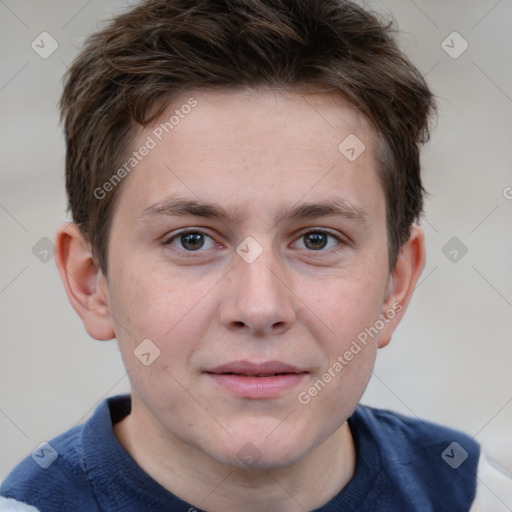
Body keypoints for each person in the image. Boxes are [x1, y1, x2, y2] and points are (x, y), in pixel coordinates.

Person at [1, 0, 509, 510]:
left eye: (317, 239)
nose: (260, 307)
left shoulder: (479, 496)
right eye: (192, 239)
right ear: (92, 281)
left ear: (394, 285)